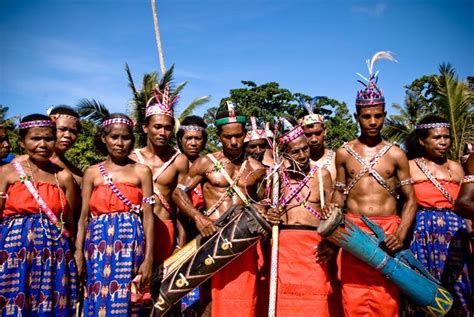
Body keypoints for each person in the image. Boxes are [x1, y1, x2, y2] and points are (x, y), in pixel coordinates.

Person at [332, 52, 417, 316]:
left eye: (378, 116)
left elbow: (411, 199)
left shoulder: (396, 154)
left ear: (385, 115)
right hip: (353, 232)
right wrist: (332, 220)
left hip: (387, 234)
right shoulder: (344, 152)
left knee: (386, 298)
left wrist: (400, 234)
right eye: (367, 116)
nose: (372, 122)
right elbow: (338, 195)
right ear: (356, 115)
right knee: (353, 294)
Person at [173, 101, 267, 317]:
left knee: (244, 295)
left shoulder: (257, 169)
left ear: (245, 134)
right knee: (209, 297)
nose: (234, 142)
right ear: (218, 135)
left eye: (238, 136)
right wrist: (198, 218)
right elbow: (178, 193)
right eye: (227, 137)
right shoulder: (207, 163)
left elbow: (261, 204)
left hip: (243, 242)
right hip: (212, 239)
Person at [75, 113, 154, 316]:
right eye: (114, 137)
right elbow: (83, 217)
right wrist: (78, 253)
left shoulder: (142, 171)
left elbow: (148, 216)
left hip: (130, 243)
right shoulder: (92, 172)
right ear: (104, 138)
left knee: (129, 297)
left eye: (126, 138)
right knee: (97, 293)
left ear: (132, 139)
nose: (120, 143)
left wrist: (148, 258)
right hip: (97, 243)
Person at [0, 114, 77, 316]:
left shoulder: (64, 177)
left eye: (49, 138)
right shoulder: (7, 173)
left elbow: (69, 223)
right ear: (22, 141)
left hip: (54, 257)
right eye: (35, 139)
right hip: (12, 256)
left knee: (49, 306)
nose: (43, 144)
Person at [268, 118, 335, 316]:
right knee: (285, 303)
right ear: (286, 154)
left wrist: (331, 245)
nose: (303, 155)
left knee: (317, 303)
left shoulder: (321, 176)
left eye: (305, 149)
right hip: (285, 249)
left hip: (315, 249)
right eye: (295, 152)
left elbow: (334, 216)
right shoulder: (276, 177)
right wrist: (269, 214)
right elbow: (262, 209)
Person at [407, 115, 472, 315]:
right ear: (421, 140)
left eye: (446, 137)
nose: (443, 142)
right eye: (436, 138)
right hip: (422, 232)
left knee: (460, 286)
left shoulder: (457, 167)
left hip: (455, 234)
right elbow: (405, 202)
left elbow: (466, 201)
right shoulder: (410, 166)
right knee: (425, 289)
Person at [129, 87, 188, 269]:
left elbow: (182, 206)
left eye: (168, 128)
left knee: (160, 289)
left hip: (165, 230)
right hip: (135, 230)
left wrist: (181, 243)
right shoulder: (131, 158)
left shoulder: (179, 161)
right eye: (157, 127)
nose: (163, 133)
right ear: (145, 127)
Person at [298, 98, 336, 182]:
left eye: (318, 133)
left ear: (325, 131)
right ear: (300, 134)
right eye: (308, 135)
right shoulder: (294, 163)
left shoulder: (337, 160)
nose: (314, 139)